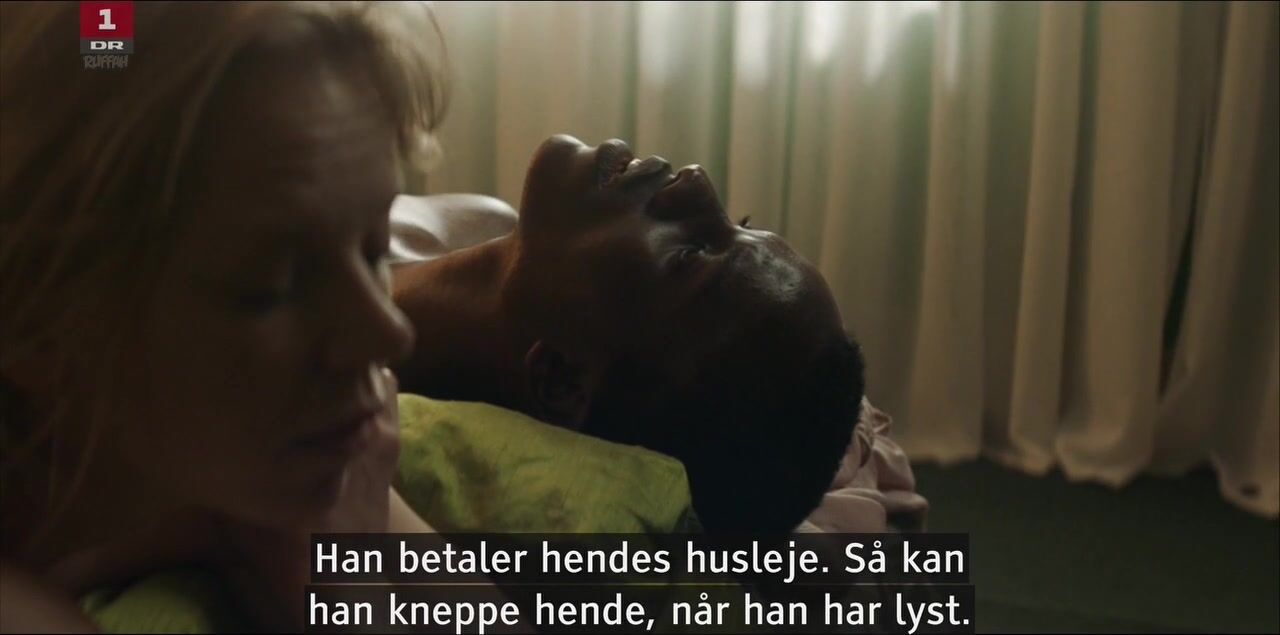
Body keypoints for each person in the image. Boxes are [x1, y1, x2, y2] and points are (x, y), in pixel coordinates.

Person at [0, 2, 457, 630]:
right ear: (38, 331)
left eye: (376, 248)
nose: (388, 332)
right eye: (270, 287)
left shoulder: (256, 449)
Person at [392, 135, 871, 536]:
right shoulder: (485, 220)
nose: (697, 180)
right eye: (740, 225)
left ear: (561, 380)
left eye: (688, 255)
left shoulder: (350, 370)